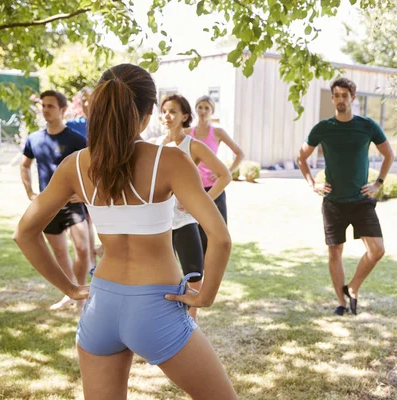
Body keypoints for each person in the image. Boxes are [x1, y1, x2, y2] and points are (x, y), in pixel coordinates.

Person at [13, 64, 237, 399]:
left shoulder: (75, 165)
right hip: (157, 305)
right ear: (148, 113)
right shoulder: (171, 161)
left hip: (101, 305)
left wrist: (71, 288)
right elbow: (220, 238)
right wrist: (204, 296)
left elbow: (24, 233)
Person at [296, 77, 394, 316]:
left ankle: (353, 287)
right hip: (333, 202)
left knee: (377, 250)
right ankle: (341, 302)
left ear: (353, 97)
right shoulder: (323, 128)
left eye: (345, 95)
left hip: (361, 200)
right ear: (332, 99)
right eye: (337, 95)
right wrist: (312, 183)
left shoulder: (367, 125)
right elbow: (301, 157)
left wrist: (378, 183)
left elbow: (388, 154)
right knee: (335, 252)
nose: (341, 99)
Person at [151, 94, 232, 321]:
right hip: (159, 221)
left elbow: (224, 175)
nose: (167, 115)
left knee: (194, 273)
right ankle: (164, 318)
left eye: (173, 111)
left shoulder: (193, 146)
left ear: (185, 116)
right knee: (161, 274)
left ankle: (192, 320)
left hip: (185, 220)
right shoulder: (155, 145)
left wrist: (200, 203)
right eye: (164, 111)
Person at [20, 90, 90, 310]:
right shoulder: (34, 139)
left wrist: (84, 194)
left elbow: (91, 169)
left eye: (50, 106)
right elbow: (24, 165)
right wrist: (30, 193)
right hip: (47, 206)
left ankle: (80, 291)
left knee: (82, 249)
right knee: (59, 252)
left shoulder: (76, 139)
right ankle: (70, 292)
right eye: (43, 106)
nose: (46, 110)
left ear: (62, 110)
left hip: (72, 204)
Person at [187, 95, 244, 254]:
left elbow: (239, 153)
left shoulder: (217, 132)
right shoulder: (187, 132)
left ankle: (214, 269)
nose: (203, 111)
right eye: (200, 107)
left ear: (212, 111)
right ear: (196, 109)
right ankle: (199, 273)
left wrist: (225, 172)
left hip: (215, 189)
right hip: (193, 190)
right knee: (195, 233)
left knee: (217, 233)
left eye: (207, 108)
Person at [66, 88, 100, 270]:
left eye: (91, 99)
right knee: (85, 221)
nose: (88, 103)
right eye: (84, 100)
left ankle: (93, 261)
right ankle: (89, 263)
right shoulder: (73, 125)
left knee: (95, 221)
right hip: (81, 181)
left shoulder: (105, 124)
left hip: (101, 181)